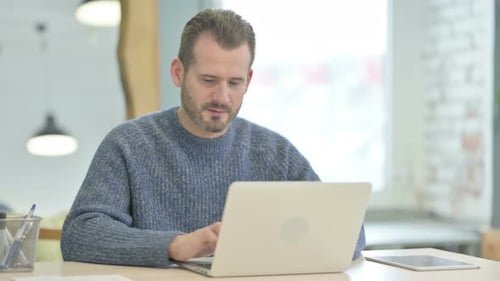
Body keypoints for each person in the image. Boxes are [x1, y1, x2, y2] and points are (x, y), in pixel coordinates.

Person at [60, 8, 366, 267]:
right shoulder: (128, 144)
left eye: (234, 82)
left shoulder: (276, 153)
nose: (222, 97)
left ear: (248, 80)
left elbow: (350, 233)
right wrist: (174, 245)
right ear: (178, 73)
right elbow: (79, 236)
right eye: (208, 80)